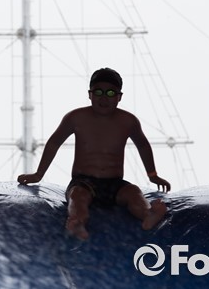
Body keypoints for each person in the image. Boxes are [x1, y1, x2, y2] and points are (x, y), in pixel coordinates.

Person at [17, 67, 170, 240]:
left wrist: (153, 175)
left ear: (119, 97)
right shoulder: (76, 117)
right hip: (83, 182)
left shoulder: (128, 121)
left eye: (110, 93)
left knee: (134, 192)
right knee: (77, 197)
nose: (104, 98)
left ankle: (147, 214)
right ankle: (77, 222)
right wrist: (38, 174)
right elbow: (54, 143)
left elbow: (142, 145)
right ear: (90, 94)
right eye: (98, 92)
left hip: (115, 184)